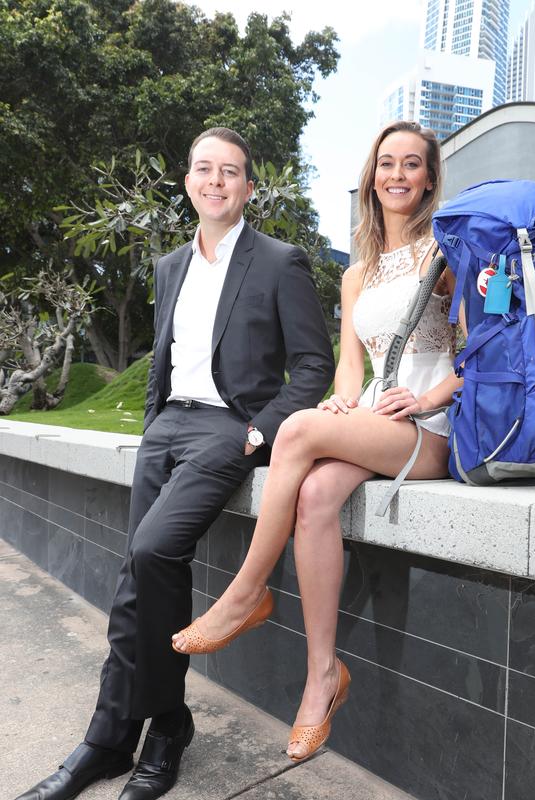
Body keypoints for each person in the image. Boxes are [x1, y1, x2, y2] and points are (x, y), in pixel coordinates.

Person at [9, 127, 334, 800]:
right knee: (138, 573)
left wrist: (258, 432)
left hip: (228, 429)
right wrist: (154, 421)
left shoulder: (280, 261)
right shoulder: (168, 266)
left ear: (249, 187)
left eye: (231, 172)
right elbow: (167, 355)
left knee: (154, 550)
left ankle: (162, 727)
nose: (215, 181)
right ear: (188, 180)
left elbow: (313, 366)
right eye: (203, 169)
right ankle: (116, 734)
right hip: (167, 429)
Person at [171, 120, 465, 762]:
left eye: (411, 164)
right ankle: (323, 677)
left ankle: (246, 592)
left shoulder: (449, 254)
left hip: (431, 432)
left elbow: (478, 359)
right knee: (313, 496)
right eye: (385, 162)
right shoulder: (356, 275)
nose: (396, 174)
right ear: (370, 176)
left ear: (429, 178)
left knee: (299, 429)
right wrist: (341, 401)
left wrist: (425, 398)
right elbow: (352, 369)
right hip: (377, 426)